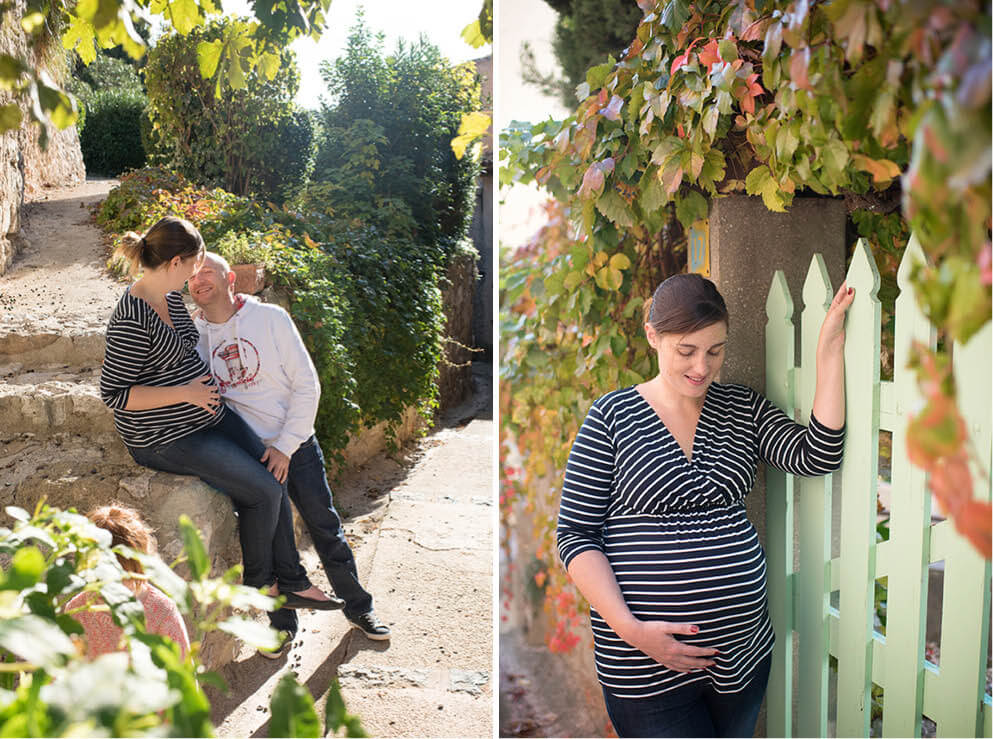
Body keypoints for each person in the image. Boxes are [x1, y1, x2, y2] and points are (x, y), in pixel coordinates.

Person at [556, 273, 853, 738]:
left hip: (742, 656)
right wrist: (632, 630)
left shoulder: (741, 408)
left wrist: (829, 350)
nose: (702, 366)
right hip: (643, 667)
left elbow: (818, 454)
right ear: (653, 336)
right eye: (686, 351)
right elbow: (574, 535)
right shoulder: (611, 418)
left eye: (715, 350)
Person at [99, 216, 342, 617]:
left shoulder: (172, 297)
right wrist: (186, 392)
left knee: (273, 472)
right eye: (195, 265)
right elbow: (115, 394)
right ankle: (261, 586)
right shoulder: (130, 318)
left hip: (205, 414)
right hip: (164, 437)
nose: (197, 276)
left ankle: (294, 582)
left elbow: (187, 349)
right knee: (263, 490)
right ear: (176, 262)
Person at [188, 251, 391, 650]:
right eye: (192, 277)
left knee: (324, 526)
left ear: (232, 280)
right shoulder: (193, 334)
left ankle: (357, 606)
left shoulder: (271, 320)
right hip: (247, 452)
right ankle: (283, 624)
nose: (199, 281)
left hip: (293, 442)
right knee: (270, 536)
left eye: (207, 272)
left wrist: (284, 446)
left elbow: (307, 385)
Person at [66, 504, 191, 659]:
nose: (113, 584)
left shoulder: (161, 612)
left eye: (123, 574)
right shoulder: (78, 611)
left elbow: (182, 675)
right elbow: (60, 672)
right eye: (102, 574)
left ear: (140, 564)